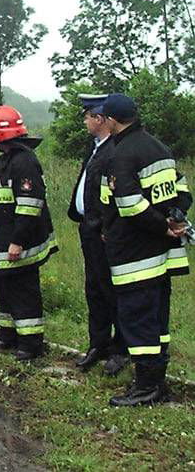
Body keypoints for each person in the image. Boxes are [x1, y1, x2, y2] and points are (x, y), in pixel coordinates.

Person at [99, 94, 191, 406]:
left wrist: (163, 225)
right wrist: (177, 217)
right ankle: (157, 380)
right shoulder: (159, 147)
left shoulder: (121, 154)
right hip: (163, 254)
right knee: (157, 319)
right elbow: (182, 188)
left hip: (136, 256)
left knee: (137, 318)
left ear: (112, 120)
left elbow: (129, 205)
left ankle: (146, 388)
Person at [0, 105, 58, 361]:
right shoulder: (7, 160)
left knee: (23, 290)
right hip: (4, 237)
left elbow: (30, 207)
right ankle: (9, 336)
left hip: (20, 240)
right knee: (5, 287)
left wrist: (18, 242)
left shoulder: (24, 162)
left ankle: (30, 343)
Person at [66, 94, 127, 375]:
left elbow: (116, 196)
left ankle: (119, 349)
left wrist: (106, 228)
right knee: (94, 289)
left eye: (88, 116)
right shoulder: (94, 148)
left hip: (105, 234)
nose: (85, 121)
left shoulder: (114, 151)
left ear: (100, 119)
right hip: (88, 230)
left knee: (112, 290)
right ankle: (98, 343)